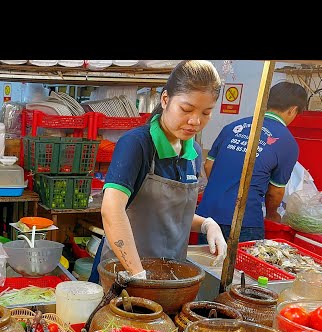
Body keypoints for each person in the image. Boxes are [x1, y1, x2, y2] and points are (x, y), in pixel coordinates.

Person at [89, 60, 227, 284]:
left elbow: (167, 214)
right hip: (123, 275)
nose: (195, 120)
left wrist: (206, 224)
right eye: (186, 109)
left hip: (168, 278)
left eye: (206, 112)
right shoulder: (137, 144)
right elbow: (111, 210)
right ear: (165, 100)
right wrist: (138, 275)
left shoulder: (192, 154)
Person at [197, 81, 308, 243]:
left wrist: (224, 188)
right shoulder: (287, 142)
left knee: (207, 265)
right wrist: (272, 214)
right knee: (241, 267)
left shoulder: (233, 127)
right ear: (293, 110)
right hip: (245, 221)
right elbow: (275, 192)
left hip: (207, 215)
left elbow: (208, 165)